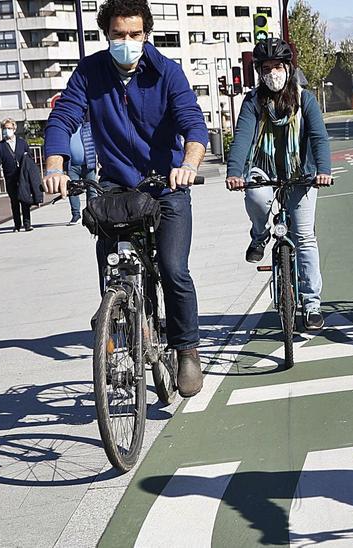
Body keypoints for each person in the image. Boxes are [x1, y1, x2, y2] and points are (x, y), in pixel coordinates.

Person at [42, 0, 210, 397]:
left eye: (135, 34)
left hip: (165, 185)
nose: (127, 42)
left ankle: (187, 350)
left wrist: (188, 162)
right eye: (118, 34)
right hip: (117, 187)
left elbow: (192, 122)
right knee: (111, 270)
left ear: (146, 33)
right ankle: (117, 322)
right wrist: (54, 166)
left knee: (172, 269)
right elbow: (64, 116)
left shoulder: (167, 72)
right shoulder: (90, 72)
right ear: (107, 34)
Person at [225, 38, 334, 331]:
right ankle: (260, 235)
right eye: (266, 68)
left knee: (305, 239)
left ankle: (312, 304)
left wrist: (323, 170)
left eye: (278, 66)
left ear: (288, 68)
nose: (273, 73)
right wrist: (235, 172)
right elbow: (242, 138)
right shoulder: (253, 102)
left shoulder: (305, 99)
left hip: (303, 174)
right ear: (259, 72)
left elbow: (319, 138)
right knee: (257, 198)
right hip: (265, 169)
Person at [0, 118, 42, 232]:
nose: (7, 130)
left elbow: (29, 158)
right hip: (10, 176)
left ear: (14, 129)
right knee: (14, 201)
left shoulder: (22, 142)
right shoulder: (1, 146)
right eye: (5, 128)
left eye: (9, 128)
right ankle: (17, 225)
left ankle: (27, 224)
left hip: (22, 176)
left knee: (25, 199)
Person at [65, 117, 98, 226]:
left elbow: (96, 143)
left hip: (88, 164)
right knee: (73, 191)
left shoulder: (88, 127)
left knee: (92, 189)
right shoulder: (67, 130)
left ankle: (92, 213)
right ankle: (76, 215)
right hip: (72, 165)